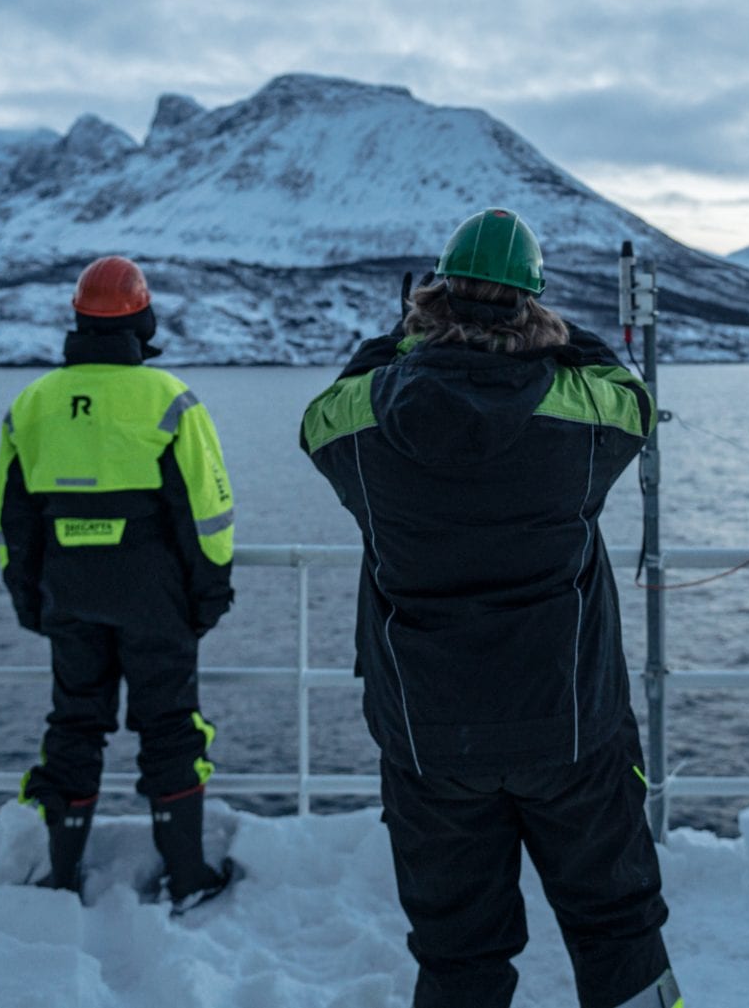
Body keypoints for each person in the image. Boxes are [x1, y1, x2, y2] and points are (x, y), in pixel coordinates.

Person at [300, 209, 682, 1008]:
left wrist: (407, 338)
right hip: (572, 726)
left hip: (430, 739)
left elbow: (322, 413)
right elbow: (634, 400)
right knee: (620, 931)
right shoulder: (579, 418)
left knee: (458, 952)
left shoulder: (368, 422)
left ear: (432, 297)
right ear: (531, 305)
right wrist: (557, 335)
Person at [0, 255, 239, 911]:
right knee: (170, 728)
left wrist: (29, 599)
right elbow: (207, 510)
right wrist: (209, 593)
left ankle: (61, 872)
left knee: (74, 724)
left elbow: (11, 522)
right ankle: (187, 876)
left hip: (67, 593)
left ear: (78, 318)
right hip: (153, 594)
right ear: (143, 317)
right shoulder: (169, 398)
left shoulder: (32, 403)